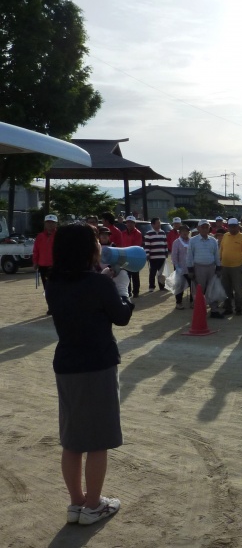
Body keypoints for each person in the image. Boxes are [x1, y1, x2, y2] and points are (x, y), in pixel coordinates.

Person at [45, 222, 134, 526]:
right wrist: (121, 289)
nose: (99, 245)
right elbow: (121, 317)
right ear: (88, 249)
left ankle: (77, 503)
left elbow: (81, 293)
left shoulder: (53, 282)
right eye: (96, 240)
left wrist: (104, 280)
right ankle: (94, 505)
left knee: (73, 440)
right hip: (97, 364)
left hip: (67, 364)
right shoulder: (99, 284)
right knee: (98, 440)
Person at [186, 219, 223, 318]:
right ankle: (200, 311)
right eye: (203, 227)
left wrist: (218, 267)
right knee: (199, 291)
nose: (205, 229)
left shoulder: (213, 240)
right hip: (198, 268)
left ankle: (214, 310)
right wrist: (190, 270)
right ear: (198, 228)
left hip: (211, 267)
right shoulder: (193, 240)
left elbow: (216, 255)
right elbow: (189, 256)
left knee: (213, 289)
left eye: (207, 227)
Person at [219, 218, 242, 316]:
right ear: (228, 227)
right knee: (226, 289)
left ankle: (238, 309)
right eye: (230, 226)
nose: (232, 228)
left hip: (237, 267)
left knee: (238, 289)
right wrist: (219, 261)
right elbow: (221, 249)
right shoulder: (225, 236)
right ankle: (228, 308)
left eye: (234, 226)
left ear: (237, 227)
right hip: (224, 266)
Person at [33, 213, 58, 294]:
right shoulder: (40, 236)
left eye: (52, 222)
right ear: (45, 224)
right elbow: (36, 250)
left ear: (56, 224)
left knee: (57, 286)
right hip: (43, 265)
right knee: (46, 287)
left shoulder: (59, 235)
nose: (50, 224)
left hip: (56, 266)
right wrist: (35, 262)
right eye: (48, 222)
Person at [119, 215, 143, 297]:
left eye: (131, 222)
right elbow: (121, 245)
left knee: (135, 275)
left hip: (134, 258)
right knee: (126, 275)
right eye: (128, 222)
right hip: (125, 258)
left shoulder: (138, 233)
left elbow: (137, 245)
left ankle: (136, 292)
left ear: (134, 223)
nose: (129, 224)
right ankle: (128, 291)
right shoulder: (123, 233)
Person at [143, 217, 168, 292]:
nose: (159, 224)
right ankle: (151, 287)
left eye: (159, 223)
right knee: (152, 272)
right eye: (157, 223)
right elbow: (147, 245)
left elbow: (165, 244)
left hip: (162, 256)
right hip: (153, 257)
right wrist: (147, 254)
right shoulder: (148, 234)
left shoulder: (163, 232)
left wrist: (166, 252)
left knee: (161, 273)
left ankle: (162, 286)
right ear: (153, 224)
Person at [170, 225, 192, 310]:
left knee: (192, 285)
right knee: (179, 285)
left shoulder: (191, 241)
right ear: (180, 232)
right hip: (180, 267)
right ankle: (178, 302)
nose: (185, 233)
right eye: (183, 231)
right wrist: (177, 266)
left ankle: (192, 301)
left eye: (186, 231)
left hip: (190, 268)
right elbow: (174, 256)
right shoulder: (176, 242)